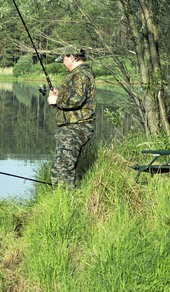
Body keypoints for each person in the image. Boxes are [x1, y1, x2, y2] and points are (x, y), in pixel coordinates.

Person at [47, 45, 96, 189]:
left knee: (62, 169)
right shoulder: (80, 74)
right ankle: (66, 200)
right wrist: (59, 96)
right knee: (63, 167)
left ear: (72, 58)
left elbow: (77, 99)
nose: (63, 63)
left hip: (76, 127)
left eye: (64, 59)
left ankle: (64, 202)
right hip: (72, 127)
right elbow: (74, 97)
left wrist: (57, 100)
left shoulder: (80, 75)